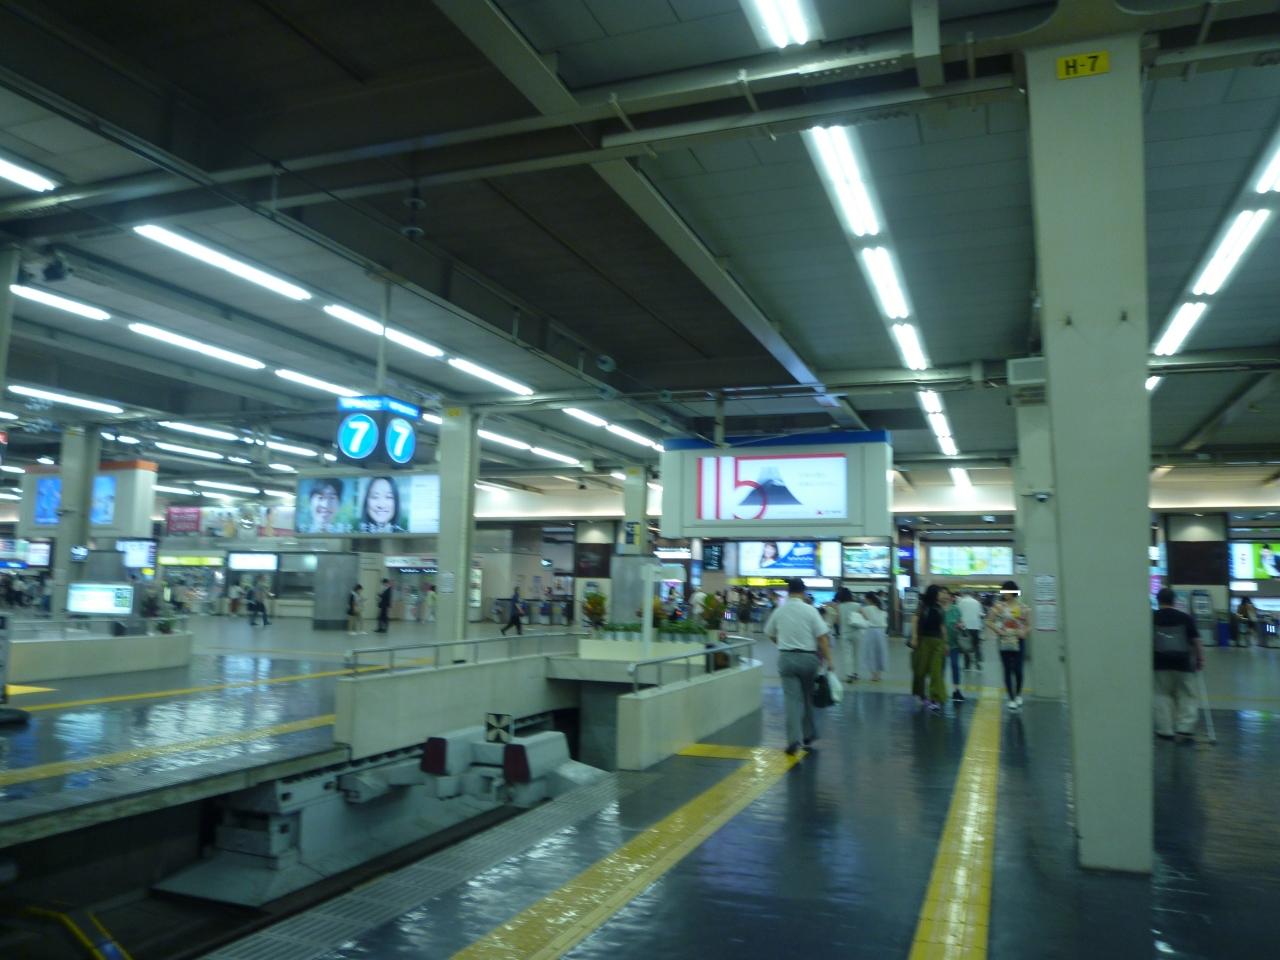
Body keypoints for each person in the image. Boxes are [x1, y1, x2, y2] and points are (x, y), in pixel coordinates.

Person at [764, 577, 833, 755]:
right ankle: (808, 735)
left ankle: (793, 740)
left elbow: (769, 633)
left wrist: (781, 643)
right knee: (807, 698)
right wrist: (830, 661)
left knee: (791, 700)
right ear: (803, 591)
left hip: (787, 658)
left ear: (788, 592)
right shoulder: (810, 610)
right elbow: (822, 638)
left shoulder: (780, 610)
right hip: (808, 659)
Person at [1153, 586, 1204, 740]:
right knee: (1187, 695)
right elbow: (1196, 641)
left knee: (1162, 695)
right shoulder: (1185, 618)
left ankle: (1165, 729)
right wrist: (1200, 659)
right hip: (1183, 664)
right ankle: (1184, 728)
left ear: (1158, 600)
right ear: (1174, 601)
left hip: (1160, 664)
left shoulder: (1153, 618)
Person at [987, 581, 1029, 710]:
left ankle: (1018, 694)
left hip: (1018, 641)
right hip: (1004, 641)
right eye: (1003, 590)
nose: (1004, 593)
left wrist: (1024, 632)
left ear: (1013, 591)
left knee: (1018, 669)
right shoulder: (998, 606)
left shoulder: (1023, 607)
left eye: (1007, 590)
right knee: (1007, 669)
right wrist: (998, 631)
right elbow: (989, 621)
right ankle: (1011, 698)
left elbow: (1028, 624)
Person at [910, 585, 948, 712]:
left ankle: (935, 699)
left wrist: (946, 643)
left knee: (936, 671)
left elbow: (942, 627)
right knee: (920, 671)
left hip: (938, 642)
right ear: (934, 594)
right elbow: (914, 620)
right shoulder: (922, 606)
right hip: (923, 641)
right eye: (940, 593)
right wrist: (914, 637)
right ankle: (921, 694)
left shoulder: (940, 608)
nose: (942, 595)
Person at [835, 587, 866, 683]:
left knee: (847, 655)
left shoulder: (839, 606)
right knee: (857, 654)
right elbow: (865, 617)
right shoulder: (857, 605)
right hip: (857, 632)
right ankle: (856, 674)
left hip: (845, 633)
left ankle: (849, 675)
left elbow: (837, 621)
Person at [944, 588, 967, 703]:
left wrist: (961, 625)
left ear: (951, 597)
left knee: (955, 666)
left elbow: (961, 622)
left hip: (954, 643)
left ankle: (956, 690)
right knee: (940, 668)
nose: (945, 597)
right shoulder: (938, 609)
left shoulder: (956, 609)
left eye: (947, 594)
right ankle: (938, 690)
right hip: (940, 644)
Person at [861, 593, 889, 682]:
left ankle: (874, 675)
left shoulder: (866, 609)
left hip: (871, 631)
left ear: (869, 599)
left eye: (865, 599)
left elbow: (864, 619)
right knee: (880, 652)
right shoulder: (882, 609)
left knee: (870, 652)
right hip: (881, 632)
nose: (864, 600)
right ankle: (879, 675)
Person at [956, 590, 984, 667]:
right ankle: (978, 662)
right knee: (976, 645)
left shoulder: (961, 602)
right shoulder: (976, 602)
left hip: (965, 626)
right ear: (971, 594)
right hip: (975, 626)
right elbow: (981, 614)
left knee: (966, 645)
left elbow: (958, 614)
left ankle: (967, 664)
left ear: (964, 594)